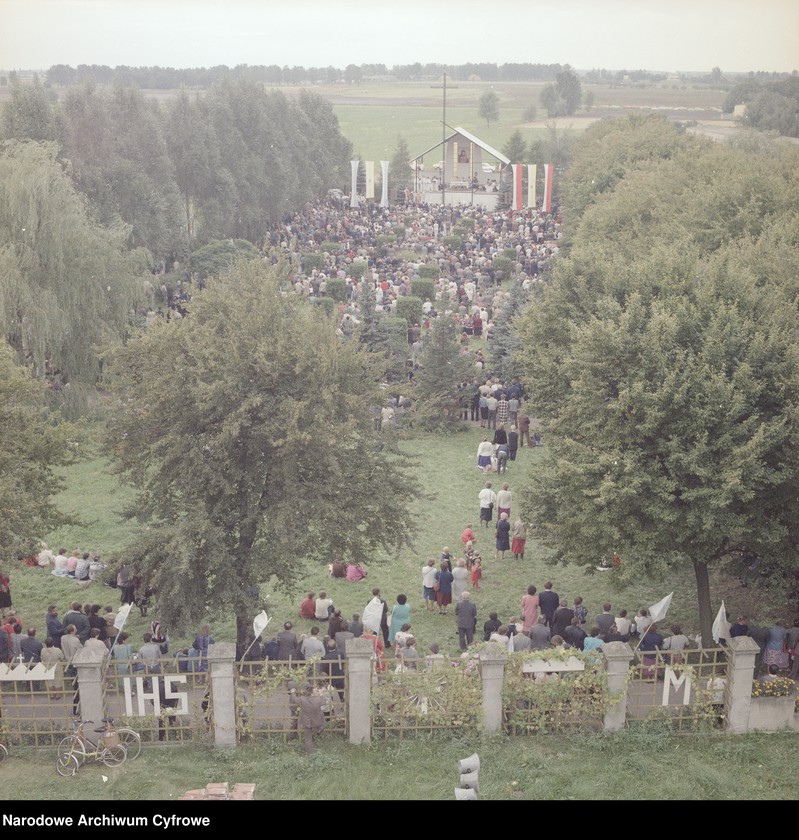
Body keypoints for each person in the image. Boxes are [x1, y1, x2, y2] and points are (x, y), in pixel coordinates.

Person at [289, 682, 327, 754]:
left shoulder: (302, 699)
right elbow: (323, 702)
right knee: (321, 726)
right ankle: (320, 731)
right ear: (312, 691)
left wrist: (293, 692)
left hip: (306, 722)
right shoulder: (317, 699)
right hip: (317, 721)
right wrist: (321, 694)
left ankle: (310, 753)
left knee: (308, 738)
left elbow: (294, 700)